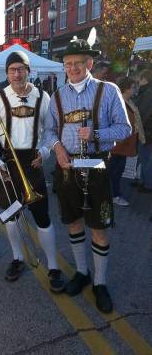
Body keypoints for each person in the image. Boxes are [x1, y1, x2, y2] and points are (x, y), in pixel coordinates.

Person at [45, 37, 131, 313]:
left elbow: (124, 129)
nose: (72, 68)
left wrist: (95, 134)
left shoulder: (109, 91)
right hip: (67, 169)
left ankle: (100, 282)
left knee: (99, 227)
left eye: (78, 63)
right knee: (72, 223)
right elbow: (48, 132)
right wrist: (57, 148)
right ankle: (82, 272)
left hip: (96, 167)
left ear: (89, 63)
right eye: (68, 64)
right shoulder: (57, 96)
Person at [0, 51, 65, 292]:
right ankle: (17, 258)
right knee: (12, 216)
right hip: (6, 163)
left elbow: (50, 131)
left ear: (29, 71)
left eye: (21, 69)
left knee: (42, 217)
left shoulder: (42, 97)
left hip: (32, 162)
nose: (17, 74)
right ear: (7, 73)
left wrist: (45, 151)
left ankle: (53, 266)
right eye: (12, 70)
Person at [110, 77, 145, 206]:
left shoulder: (127, 101)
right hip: (118, 144)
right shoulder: (119, 102)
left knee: (117, 170)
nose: (134, 89)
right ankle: (113, 195)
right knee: (113, 171)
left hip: (123, 144)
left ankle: (113, 194)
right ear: (126, 88)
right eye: (132, 87)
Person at [135, 69, 152, 193]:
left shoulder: (148, 93)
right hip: (146, 131)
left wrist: (140, 131)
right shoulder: (146, 91)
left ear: (144, 79)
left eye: (139, 78)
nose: (137, 81)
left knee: (146, 159)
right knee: (143, 158)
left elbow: (143, 115)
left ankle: (147, 185)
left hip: (146, 132)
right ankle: (143, 182)